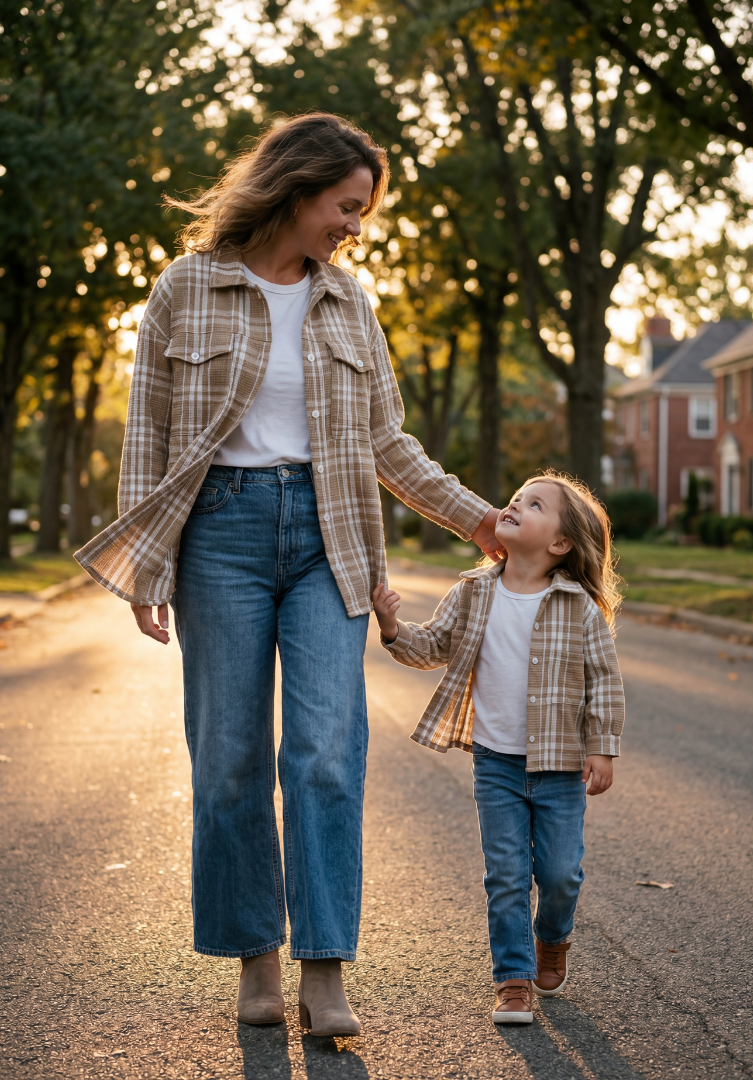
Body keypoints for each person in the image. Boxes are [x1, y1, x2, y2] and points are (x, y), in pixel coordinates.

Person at [75, 113, 501, 1036]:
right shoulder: (185, 288)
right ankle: (253, 962)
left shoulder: (349, 303)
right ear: (297, 188)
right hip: (218, 534)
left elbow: (389, 443)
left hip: (329, 534)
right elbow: (146, 433)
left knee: (325, 755)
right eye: (347, 206)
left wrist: (482, 519)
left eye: (363, 212)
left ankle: (325, 970)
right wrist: (148, 563)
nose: (356, 226)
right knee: (228, 759)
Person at [372, 471, 624, 1024]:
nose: (513, 505)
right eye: (515, 497)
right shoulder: (473, 590)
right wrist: (392, 629)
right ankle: (513, 978)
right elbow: (434, 645)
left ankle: (552, 938)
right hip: (495, 763)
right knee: (505, 874)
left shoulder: (577, 607)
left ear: (560, 544)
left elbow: (604, 679)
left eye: (533, 504)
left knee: (561, 875)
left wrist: (601, 747)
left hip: (559, 768)